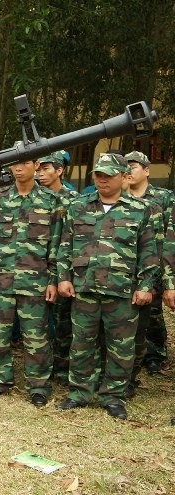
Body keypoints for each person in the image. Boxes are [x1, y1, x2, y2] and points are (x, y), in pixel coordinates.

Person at [56, 154, 158, 420]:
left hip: (122, 291)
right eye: (98, 175)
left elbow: (148, 252)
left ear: (124, 177)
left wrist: (146, 285)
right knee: (81, 344)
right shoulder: (78, 207)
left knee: (121, 347)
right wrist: (63, 277)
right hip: (85, 288)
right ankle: (79, 393)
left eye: (108, 175)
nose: (101, 179)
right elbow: (65, 246)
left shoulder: (139, 209)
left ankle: (113, 396)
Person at [0, 153, 62, 406]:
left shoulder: (51, 201)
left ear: (36, 165)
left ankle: (38, 385)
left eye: (24, 162)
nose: (18, 167)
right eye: (15, 163)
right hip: (2, 279)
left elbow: (57, 244)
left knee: (36, 337)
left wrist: (53, 279)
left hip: (36, 281)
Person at [35, 152, 80, 386]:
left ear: (59, 171)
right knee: (39, 322)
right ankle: (42, 365)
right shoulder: (35, 197)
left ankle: (63, 369)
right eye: (38, 169)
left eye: (45, 169)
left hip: (64, 268)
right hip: (36, 268)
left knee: (64, 322)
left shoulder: (74, 200)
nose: (40, 174)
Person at [124, 150, 170, 376]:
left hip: (156, 263)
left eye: (133, 166)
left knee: (153, 313)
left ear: (146, 170)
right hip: (126, 265)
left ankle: (154, 355)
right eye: (126, 167)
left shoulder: (163, 197)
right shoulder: (119, 196)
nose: (129, 171)